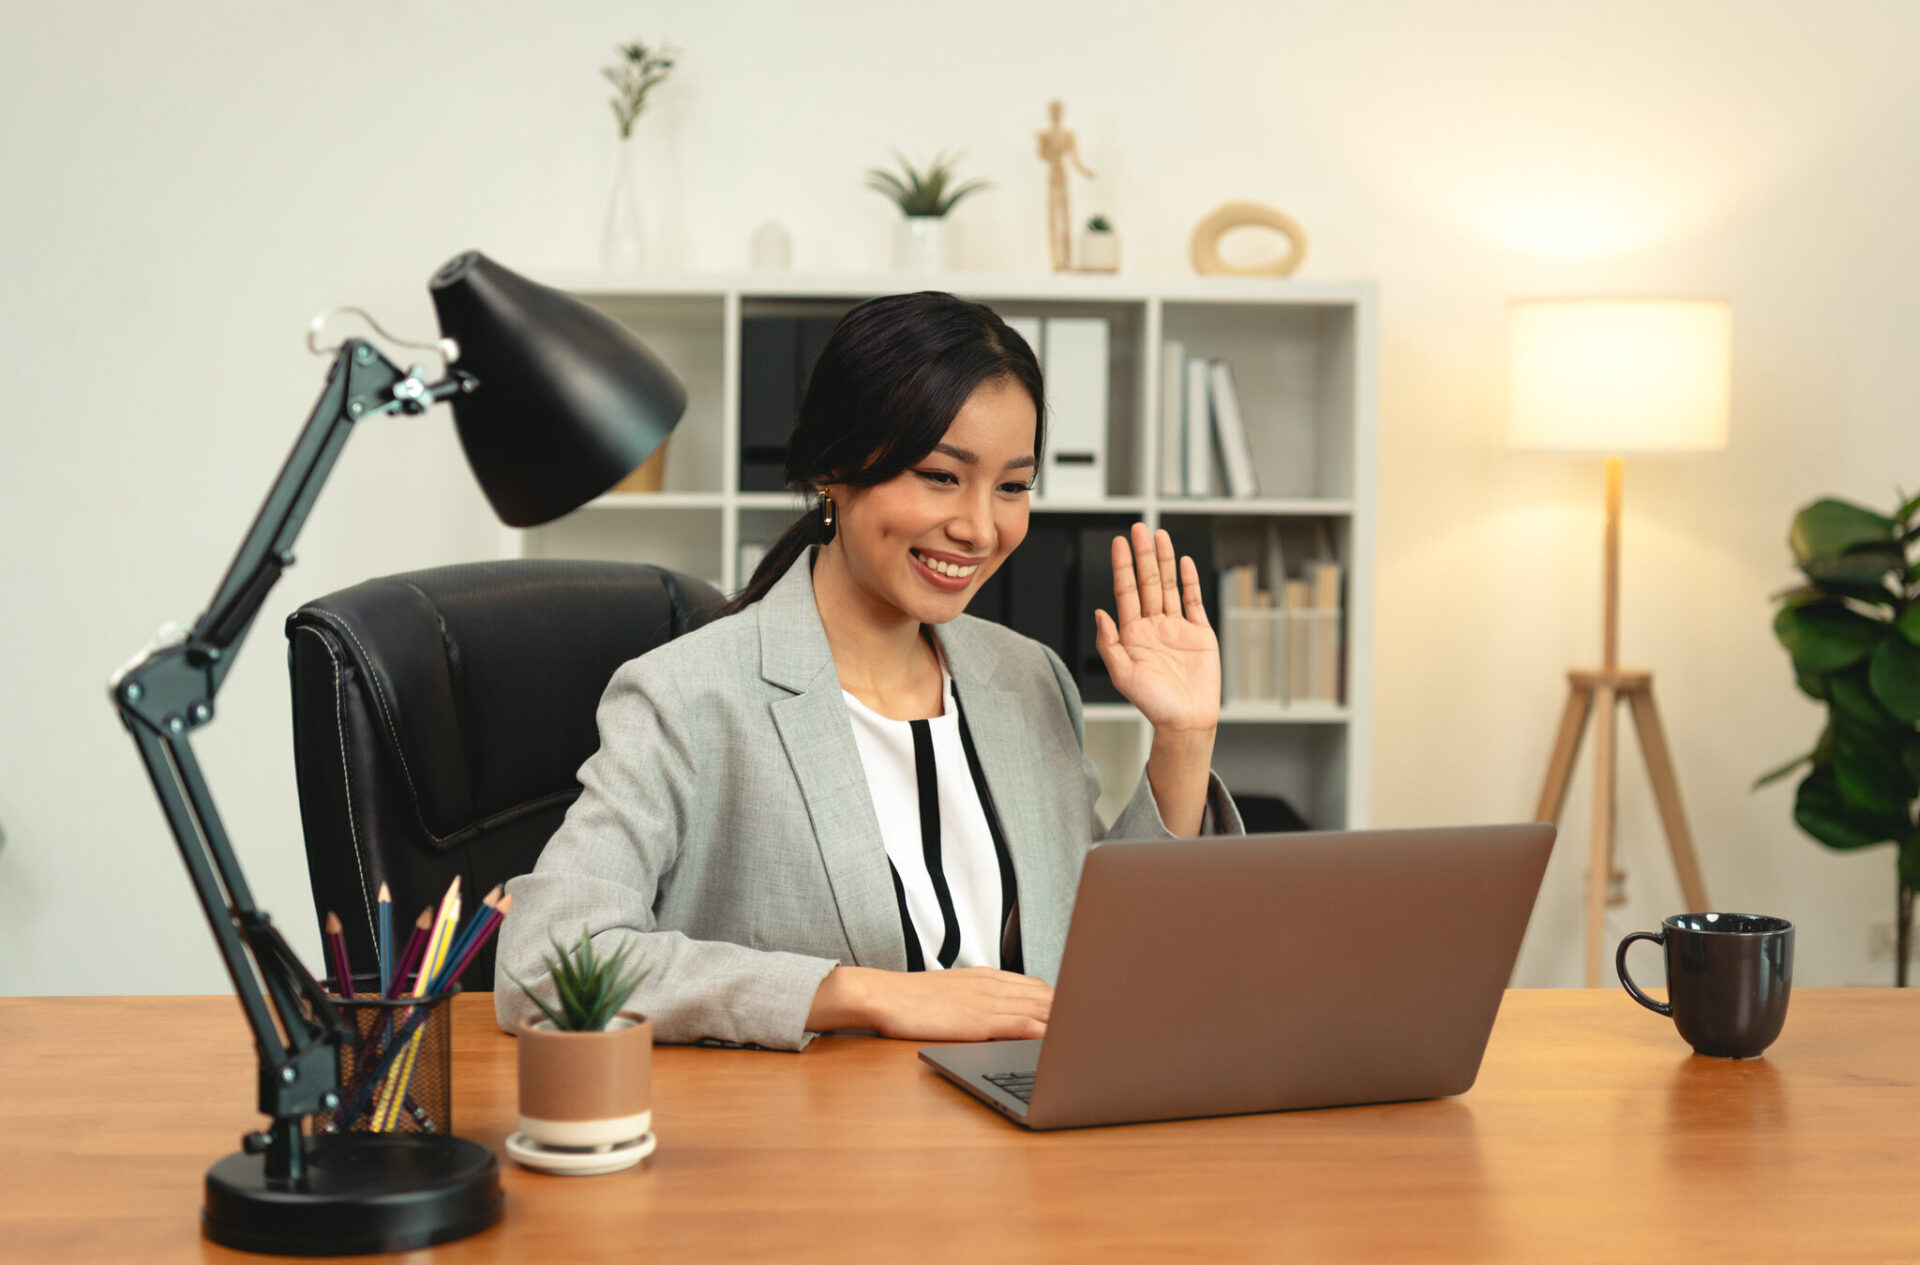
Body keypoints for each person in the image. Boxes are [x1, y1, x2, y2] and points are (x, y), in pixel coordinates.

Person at [495, 291, 1243, 1050]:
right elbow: (548, 960)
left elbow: (1096, 953)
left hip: (1032, 1127)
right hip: (826, 1148)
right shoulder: (687, 694)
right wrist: (858, 993)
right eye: (939, 475)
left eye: (1013, 486)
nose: (981, 527)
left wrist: (1183, 738)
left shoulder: (1030, 678)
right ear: (833, 468)